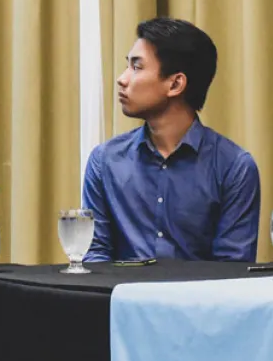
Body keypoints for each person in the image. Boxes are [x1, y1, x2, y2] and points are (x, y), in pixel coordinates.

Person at [82, 18, 261, 262]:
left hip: (200, 300)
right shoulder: (104, 161)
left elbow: (232, 269)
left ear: (176, 83)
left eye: (137, 67)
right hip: (122, 298)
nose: (122, 79)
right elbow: (96, 256)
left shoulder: (234, 167)